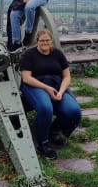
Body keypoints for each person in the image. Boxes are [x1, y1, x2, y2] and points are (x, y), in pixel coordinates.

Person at [20, 28, 81, 159]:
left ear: (51, 41)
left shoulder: (57, 54)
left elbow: (66, 76)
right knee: (45, 108)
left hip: (57, 85)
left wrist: (61, 91)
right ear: (37, 41)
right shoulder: (29, 55)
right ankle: (42, 143)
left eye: (47, 40)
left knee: (74, 111)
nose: (45, 43)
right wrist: (47, 88)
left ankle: (54, 131)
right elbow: (26, 78)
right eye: (42, 40)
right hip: (35, 85)